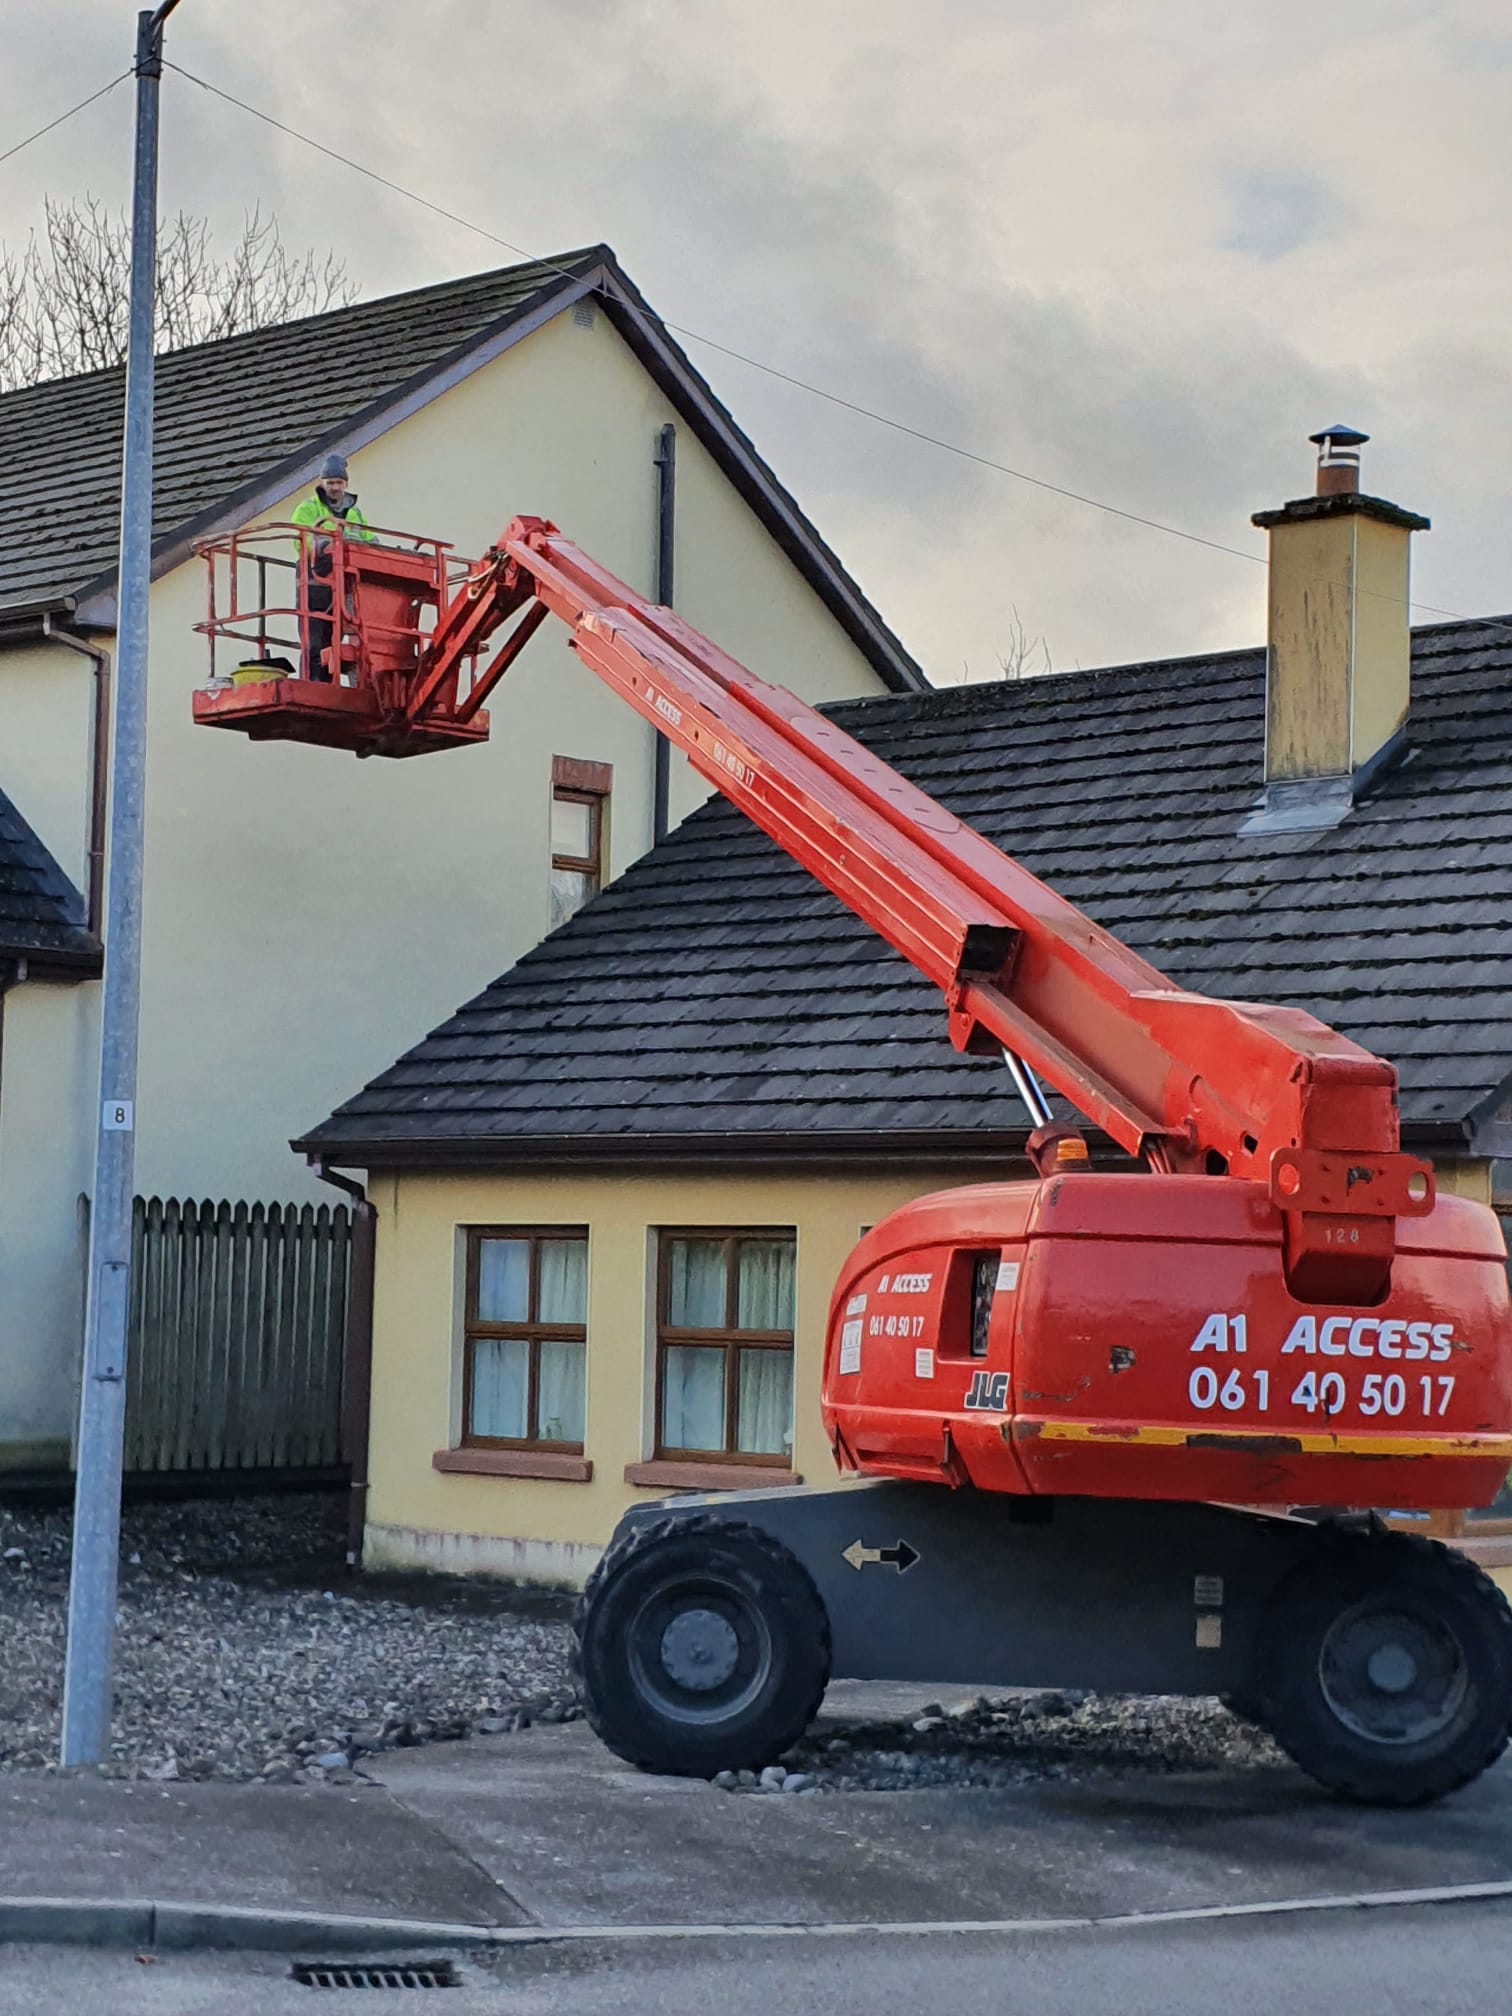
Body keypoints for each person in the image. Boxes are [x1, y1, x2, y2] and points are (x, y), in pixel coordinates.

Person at [290, 453, 373, 680]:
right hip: (315, 581)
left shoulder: (354, 512)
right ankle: (313, 683)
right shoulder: (308, 509)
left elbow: (368, 539)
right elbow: (301, 540)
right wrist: (324, 544)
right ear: (321, 482)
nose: (334, 487)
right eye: (330, 483)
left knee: (334, 638)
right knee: (314, 639)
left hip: (343, 584)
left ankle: (330, 682)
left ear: (345, 483)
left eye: (338, 482)